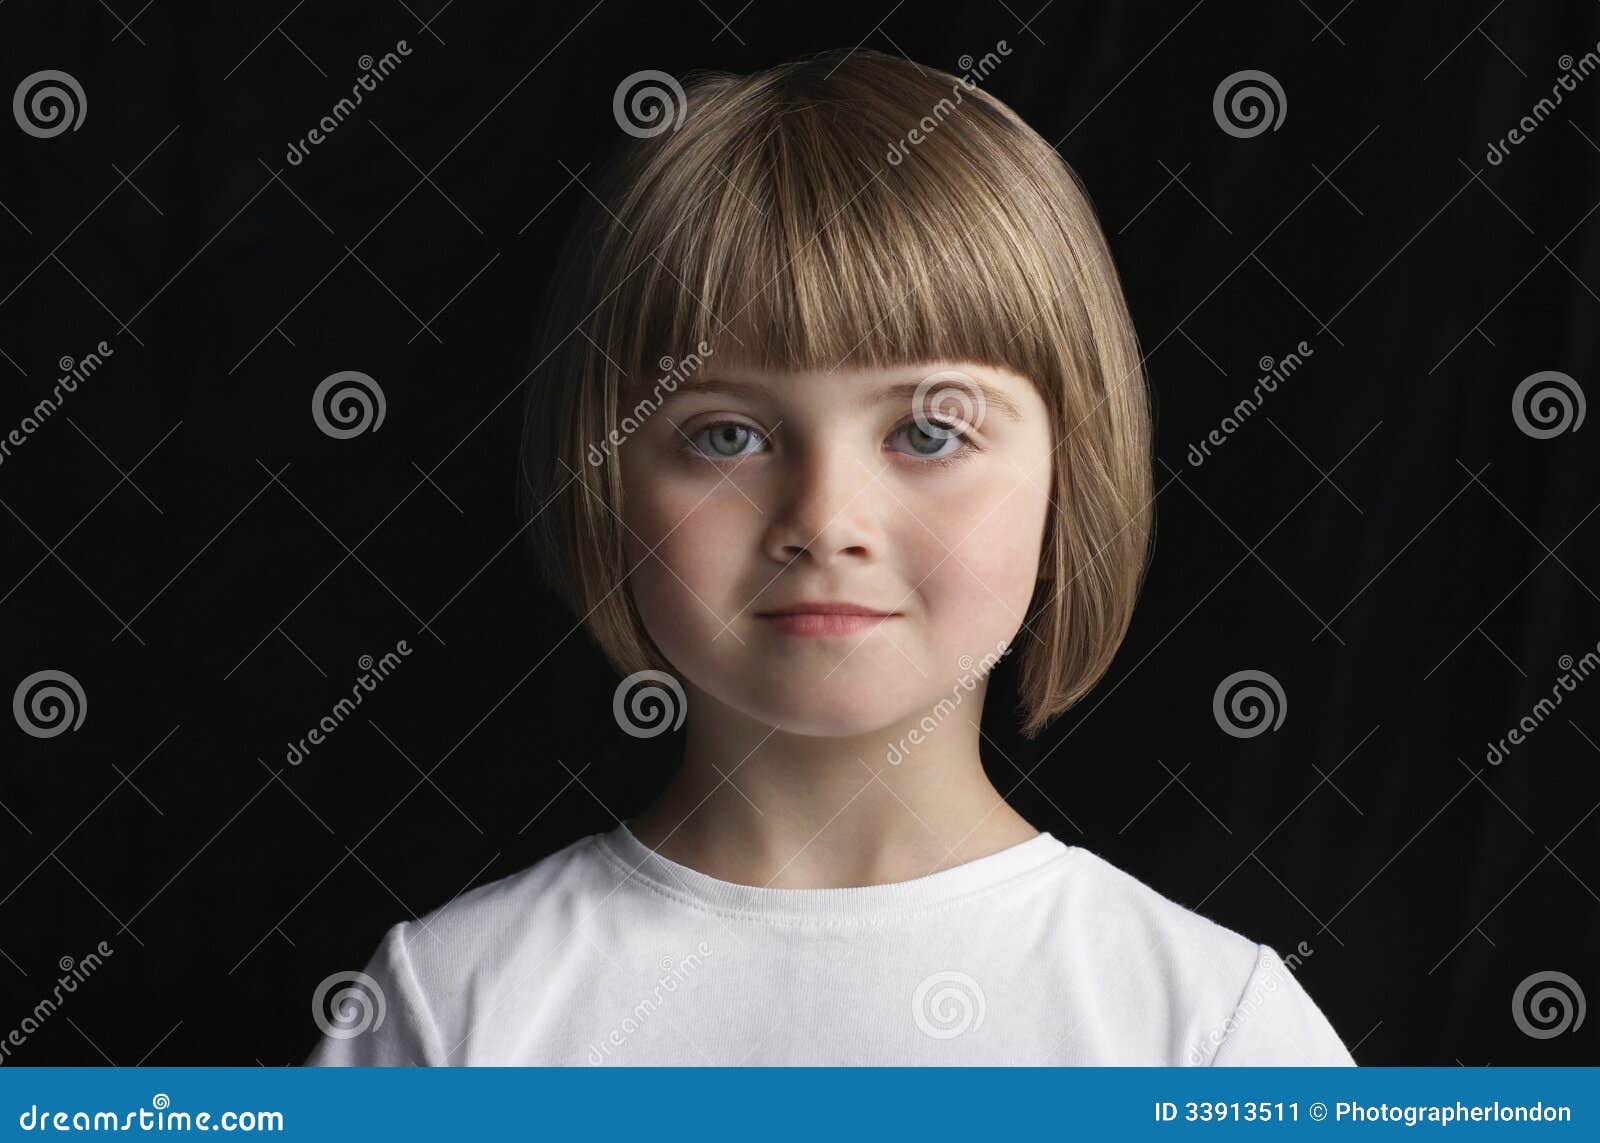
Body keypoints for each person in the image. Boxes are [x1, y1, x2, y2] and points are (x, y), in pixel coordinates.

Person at [306, 48, 1354, 1067]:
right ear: (604, 479)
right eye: (727, 436)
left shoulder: (1209, 1035)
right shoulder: (452, 1010)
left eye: (931, 431)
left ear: (1071, 476)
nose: (824, 518)